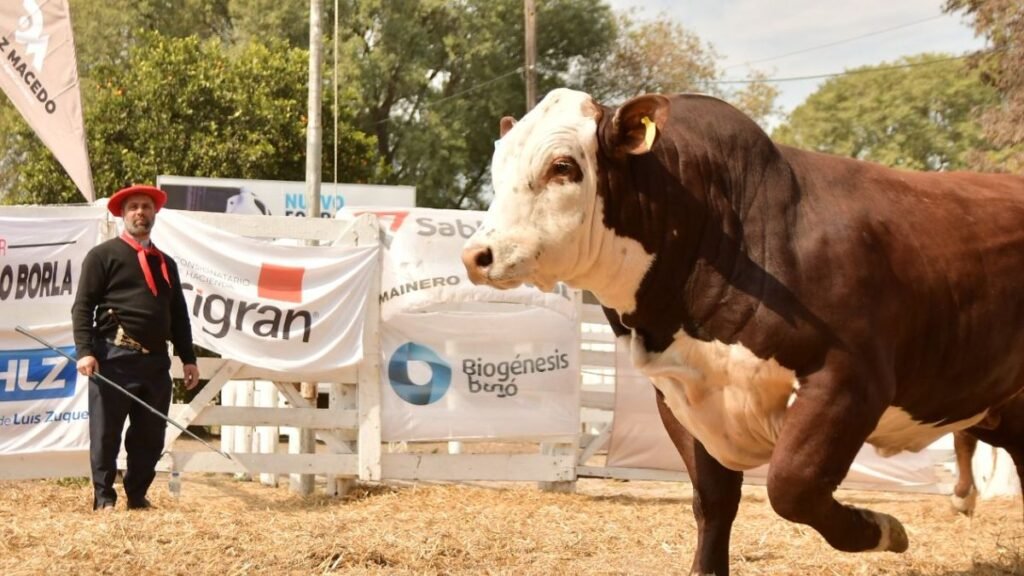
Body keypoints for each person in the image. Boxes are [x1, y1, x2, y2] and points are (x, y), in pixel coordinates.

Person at [71, 184, 200, 512]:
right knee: (106, 433)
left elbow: (178, 315)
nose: (140, 212)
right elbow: (82, 306)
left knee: (150, 435)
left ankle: (137, 495)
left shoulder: (166, 263)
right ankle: (104, 498)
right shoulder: (102, 256)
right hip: (113, 357)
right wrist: (85, 351)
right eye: (134, 207)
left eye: (146, 207)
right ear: (123, 214)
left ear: (154, 213)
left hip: (156, 362)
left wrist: (188, 358)